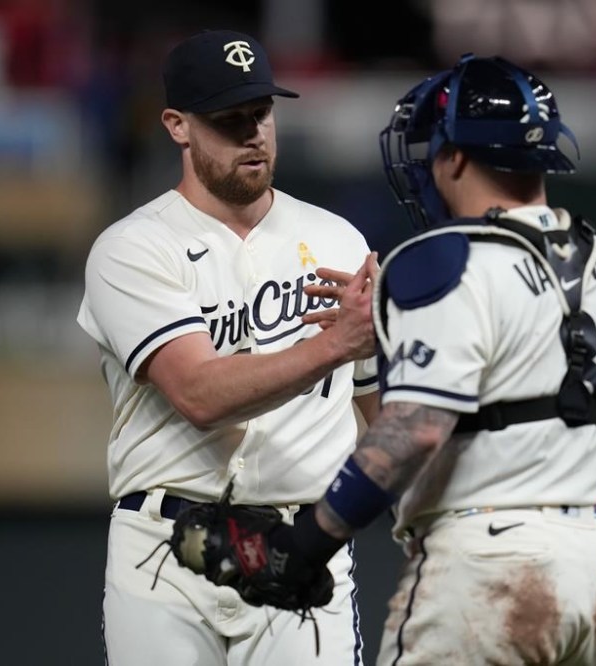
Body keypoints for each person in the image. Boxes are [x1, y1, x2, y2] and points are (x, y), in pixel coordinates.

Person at [214, 53, 596, 665]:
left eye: (434, 150)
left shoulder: (442, 255)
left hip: (490, 563)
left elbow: (416, 429)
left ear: (457, 156)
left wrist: (300, 545)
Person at [76, 29, 379, 665]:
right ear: (177, 126)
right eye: (228, 119)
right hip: (164, 553)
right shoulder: (132, 248)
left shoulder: (340, 242)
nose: (253, 133)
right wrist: (334, 346)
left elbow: (382, 414)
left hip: (303, 544)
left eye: (261, 113)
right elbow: (199, 393)